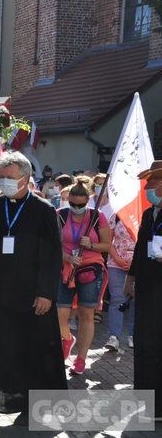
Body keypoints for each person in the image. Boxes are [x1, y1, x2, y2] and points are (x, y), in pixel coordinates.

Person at [0, 151, 66, 426]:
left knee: (33, 350)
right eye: (2, 177)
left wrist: (47, 292)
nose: (4, 182)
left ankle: (35, 407)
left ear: (26, 179)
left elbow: (53, 255)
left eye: (10, 177)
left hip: (32, 295)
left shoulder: (44, 210)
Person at [56, 179, 111, 375]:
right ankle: (67, 338)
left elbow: (107, 245)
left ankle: (81, 358)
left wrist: (91, 245)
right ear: (68, 200)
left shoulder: (98, 217)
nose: (76, 208)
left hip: (90, 269)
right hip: (65, 268)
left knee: (86, 315)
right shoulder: (60, 215)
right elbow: (53, 245)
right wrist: (68, 257)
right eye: (72, 204)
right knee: (60, 313)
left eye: (80, 205)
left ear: (88, 201)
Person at [124, 160, 162, 418]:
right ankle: (150, 402)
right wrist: (131, 277)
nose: (147, 188)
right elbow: (140, 249)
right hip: (148, 290)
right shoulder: (150, 214)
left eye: (153, 183)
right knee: (146, 343)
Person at [104, 209, 135, 351]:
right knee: (117, 298)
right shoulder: (115, 216)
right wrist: (118, 260)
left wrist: (134, 263)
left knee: (136, 300)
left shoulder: (144, 215)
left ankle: (133, 335)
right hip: (115, 264)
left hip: (138, 265)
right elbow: (107, 242)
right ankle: (113, 336)